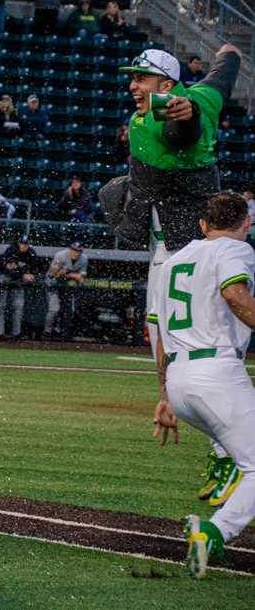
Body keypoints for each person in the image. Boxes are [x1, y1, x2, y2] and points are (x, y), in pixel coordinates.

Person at [98, 44, 243, 502]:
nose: (132, 86)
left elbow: (183, 132)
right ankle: (219, 443)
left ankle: (229, 454)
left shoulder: (169, 117)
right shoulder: (203, 94)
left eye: (141, 79)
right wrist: (229, 51)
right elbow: (224, 73)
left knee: (189, 354)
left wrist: (182, 117)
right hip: (182, 245)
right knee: (181, 354)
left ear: (166, 85)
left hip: (184, 254)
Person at [150, 193, 255, 579]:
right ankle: (212, 534)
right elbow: (233, 293)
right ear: (246, 224)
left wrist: (165, 396)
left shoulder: (174, 260)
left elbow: (160, 331)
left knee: (249, 462)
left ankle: (216, 529)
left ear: (202, 225)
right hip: (217, 373)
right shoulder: (236, 249)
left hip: (180, 379)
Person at [44, 240, 87, 339]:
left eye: (78, 251)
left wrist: (67, 274)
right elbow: (53, 273)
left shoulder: (84, 258)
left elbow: (82, 276)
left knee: (69, 310)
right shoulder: (60, 255)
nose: (75, 252)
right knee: (54, 309)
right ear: (70, 249)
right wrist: (71, 275)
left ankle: (60, 332)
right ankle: (47, 332)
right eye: (73, 250)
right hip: (53, 284)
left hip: (67, 286)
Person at [0, 236, 37, 339]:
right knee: (1, 306)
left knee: (18, 306)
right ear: (18, 243)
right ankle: (0, 333)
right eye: (22, 243)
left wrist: (29, 274)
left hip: (19, 281)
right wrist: (23, 274)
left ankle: (16, 333)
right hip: (6, 279)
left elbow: (33, 270)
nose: (24, 246)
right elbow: (8, 269)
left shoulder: (31, 253)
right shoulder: (11, 250)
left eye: (26, 244)